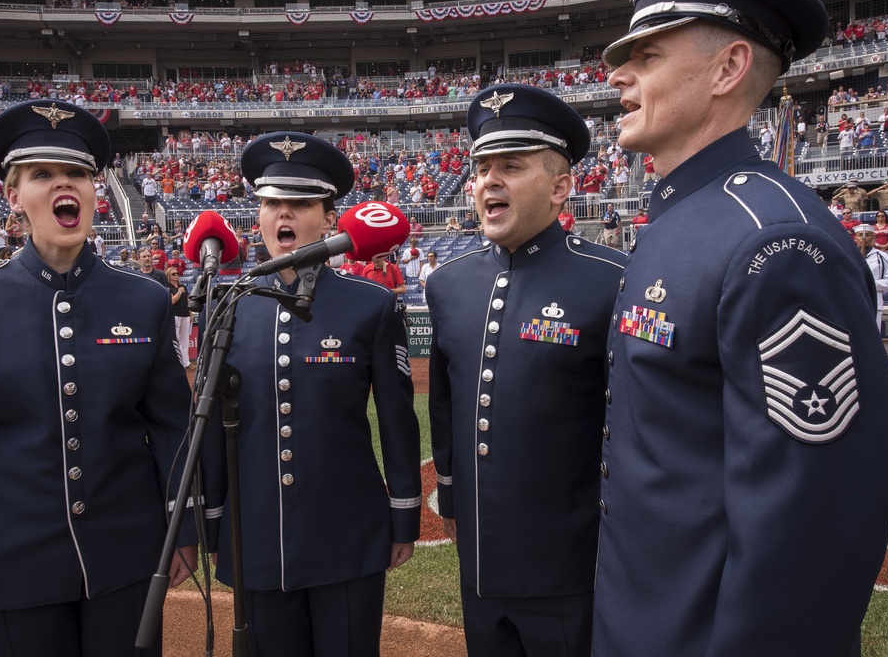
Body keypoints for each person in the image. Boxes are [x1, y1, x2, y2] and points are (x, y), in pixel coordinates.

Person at [594, 0, 888, 657]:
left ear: (728, 69)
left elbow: (810, 531)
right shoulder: (685, 219)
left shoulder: (777, 241)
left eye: (646, 53)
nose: (617, 74)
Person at [0, 99, 198, 656]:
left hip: (125, 569)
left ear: (94, 191)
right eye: (42, 175)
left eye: (79, 174)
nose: (67, 186)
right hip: (7, 575)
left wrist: (183, 530)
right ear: (13, 197)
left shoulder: (146, 300)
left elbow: (171, 430)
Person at [201, 131, 421, 657]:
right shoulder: (226, 304)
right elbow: (208, 427)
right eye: (273, 202)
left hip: (347, 534)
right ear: (257, 215)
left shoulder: (370, 305)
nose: (285, 215)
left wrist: (404, 514)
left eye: (301, 203)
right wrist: (211, 522)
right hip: (253, 534)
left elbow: (396, 417)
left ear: (328, 218)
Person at [427, 84, 626, 657]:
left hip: (569, 573)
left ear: (561, 186)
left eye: (511, 167)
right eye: (481, 168)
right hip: (480, 571)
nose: (489, 180)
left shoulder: (612, 279)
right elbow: (443, 406)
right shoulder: (448, 285)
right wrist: (450, 496)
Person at [854, 223, 888, 330]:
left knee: (872, 334)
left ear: (873, 237)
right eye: (860, 235)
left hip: (874, 302)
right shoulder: (848, 255)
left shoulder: (881, 256)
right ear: (855, 238)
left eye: (868, 235)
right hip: (854, 301)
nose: (863, 238)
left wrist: (870, 283)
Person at [166, 267, 190, 368]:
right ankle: (175, 362)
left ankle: (186, 362)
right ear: (169, 276)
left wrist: (191, 314)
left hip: (186, 315)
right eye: (173, 274)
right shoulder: (168, 287)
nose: (176, 275)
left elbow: (188, 301)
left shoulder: (183, 286)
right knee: (176, 340)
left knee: (185, 340)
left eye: (177, 273)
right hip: (175, 315)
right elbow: (172, 301)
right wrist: (179, 292)